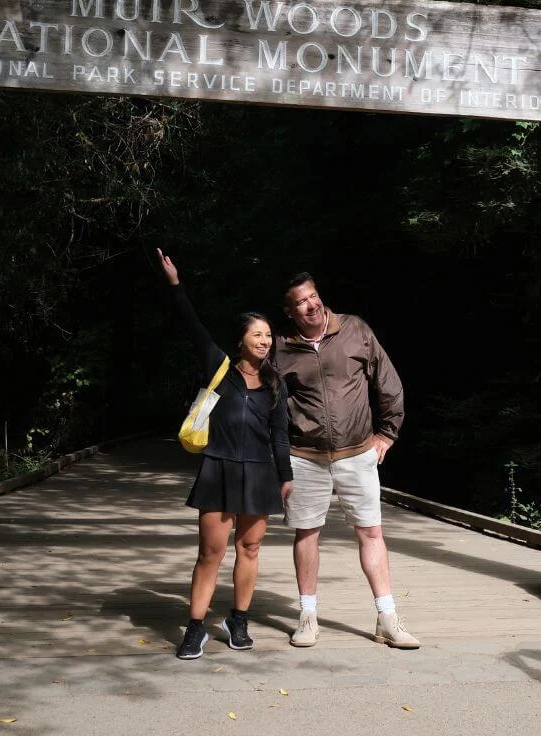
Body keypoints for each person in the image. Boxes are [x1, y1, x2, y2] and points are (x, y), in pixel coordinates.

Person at [158, 249, 294, 659]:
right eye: (258, 334)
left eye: (269, 335)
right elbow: (192, 324)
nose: (265, 341)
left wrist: (285, 476)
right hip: (218, 468)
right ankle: (196, 627)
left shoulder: (275, 384)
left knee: (250, 550)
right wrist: (176, 284)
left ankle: (238, 618)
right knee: (210, 553)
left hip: (259, 474)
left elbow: (280, 436)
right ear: (241, 340)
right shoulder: (219, 368)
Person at [274, 272, 419, 649]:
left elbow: (388, 382)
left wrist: (387, 434)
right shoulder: (281, 348)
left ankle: (387, 617)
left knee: (371, 532)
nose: (312, 304)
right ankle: (307, 615)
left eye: (314, 296)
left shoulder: (355, 329)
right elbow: (268, 405)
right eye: (302, 302)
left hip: (357, 453)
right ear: (290, 311)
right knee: (307, 533)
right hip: (304, 457)